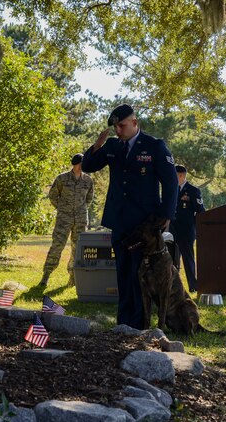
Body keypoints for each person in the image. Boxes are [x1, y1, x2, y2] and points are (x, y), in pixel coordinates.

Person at [81, 104, 178, 329]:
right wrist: (97, 145)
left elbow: (171, 182)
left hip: (144, 224)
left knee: (140, 273)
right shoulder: (113, 146)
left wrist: (166, 215)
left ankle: (139, 323)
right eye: (115, 126)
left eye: (122, 125)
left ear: (135, 123)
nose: (118, 130)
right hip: (120, 219)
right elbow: (88, 165)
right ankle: (124, 322)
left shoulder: (154, 146)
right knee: (123, 271)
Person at [40, 153, 94, 287]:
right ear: (75, 164)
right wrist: (62, 209)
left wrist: (81, 211)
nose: (82, 166)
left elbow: (89, 199)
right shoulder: (62, 178)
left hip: (81, 220)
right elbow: (52, 195)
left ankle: (73, 278)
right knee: (57, 246)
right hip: (64, 219)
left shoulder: (88, 180)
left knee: (78, 249)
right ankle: (46, 275)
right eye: (81, 164)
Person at [169, 164, 205, 293]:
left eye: (174, 175)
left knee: (188, 259)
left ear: (181, 175)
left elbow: (200, 211)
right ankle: (173, 286)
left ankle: (193, 286)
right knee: (173, 259)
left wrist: (193, 226)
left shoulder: (193, 191)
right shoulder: (171, 189)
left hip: (186, 231)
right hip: (172, 230)